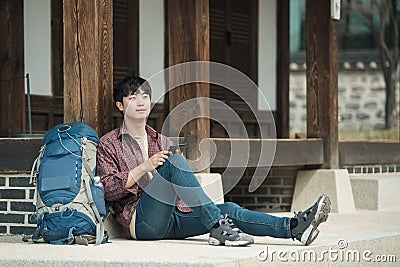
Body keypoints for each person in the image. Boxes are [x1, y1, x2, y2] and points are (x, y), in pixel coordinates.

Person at [96, 74, 331, 246]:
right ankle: (217, 226)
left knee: (228, 209)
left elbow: (177, 184)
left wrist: (187, 185)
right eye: (133, 98)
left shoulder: (161, 141)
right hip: (142, 222)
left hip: (174, 217)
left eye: (145, 97)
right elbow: (108, 189)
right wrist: (146, 166)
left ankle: (294, 228)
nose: (141, 102)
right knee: (176, 164)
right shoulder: (109, 143)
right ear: (120, 105)